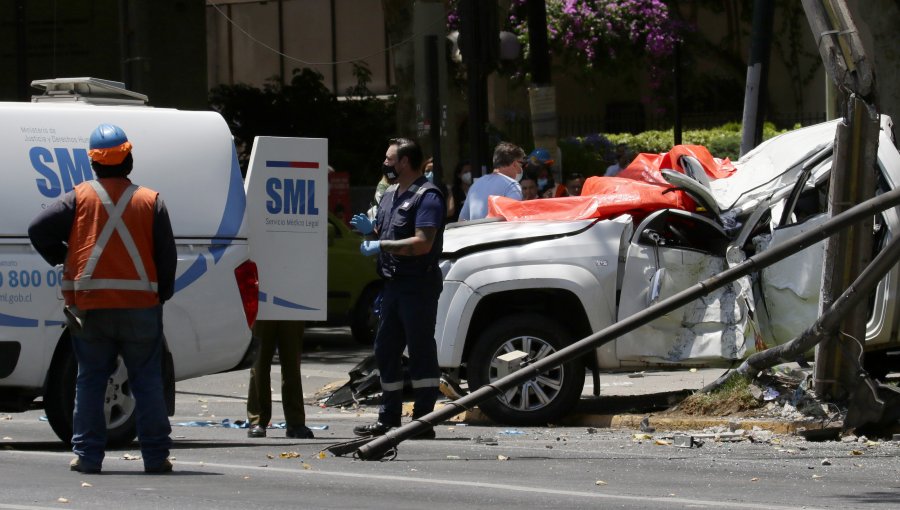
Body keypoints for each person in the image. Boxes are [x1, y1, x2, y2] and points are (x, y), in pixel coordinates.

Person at [28, 124, 177, 474]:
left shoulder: (77, 198)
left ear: (93, 162)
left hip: (92, 308)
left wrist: (63, 256)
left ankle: (87, 456)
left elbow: (37, 229)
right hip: (140, 309)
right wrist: (161, 295)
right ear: (128, 157)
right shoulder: (150, 201)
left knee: (91, 380)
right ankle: (156, 458)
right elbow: (166, 257)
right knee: (147, 381)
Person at [348, 137, 444, 439]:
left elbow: (422, 243)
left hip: (418, 286)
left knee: (420, 350)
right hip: (392, 285)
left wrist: (381, 244)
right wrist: (372, 231)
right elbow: (387, 232)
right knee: (385, 349)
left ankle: (423, 421)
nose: (386, 164)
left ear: (404, 162)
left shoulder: (428, 197)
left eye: (390, 159)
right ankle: (388, 418)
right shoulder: (389, 194)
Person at [246, 321, 314, 439]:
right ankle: (257, 420)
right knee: (259, 363)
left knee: (292, 364)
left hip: (292, 311)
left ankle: (295, 422)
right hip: (263, 308)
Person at [458, 142, 526, 221]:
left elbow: (462, 220)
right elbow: (514, 219)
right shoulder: (512, 185)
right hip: (499, 232)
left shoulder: (476, 185)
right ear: (514, 164)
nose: (521, 169)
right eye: (521, 164)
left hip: (477, 233)